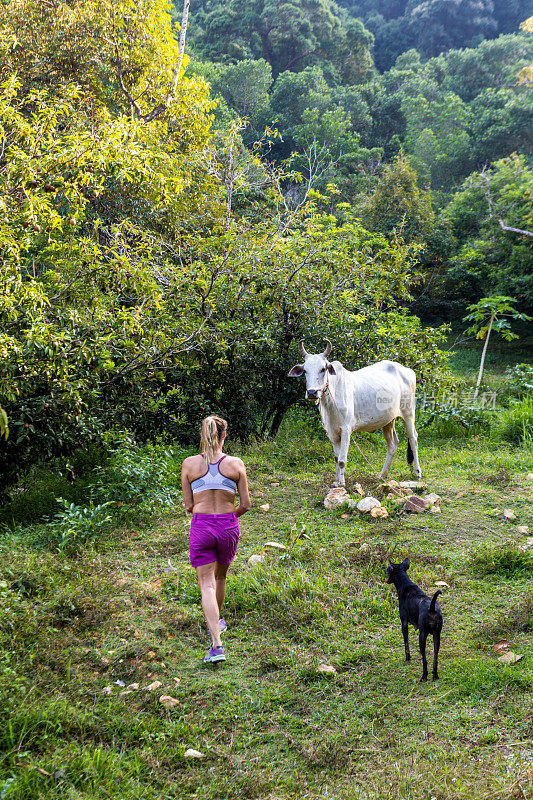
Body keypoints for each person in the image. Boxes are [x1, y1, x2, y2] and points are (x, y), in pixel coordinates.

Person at [181, 415, 250, 664]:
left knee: (206, 584)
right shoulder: (235, 464)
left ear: (203, 434)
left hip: (202, 526)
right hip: (228, 525)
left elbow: (189, 505)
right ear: (224, 435)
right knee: (220, 576)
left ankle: (216, 645)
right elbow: (246, 504)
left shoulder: (189, 465)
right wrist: (229, 517)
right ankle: (218, 621)